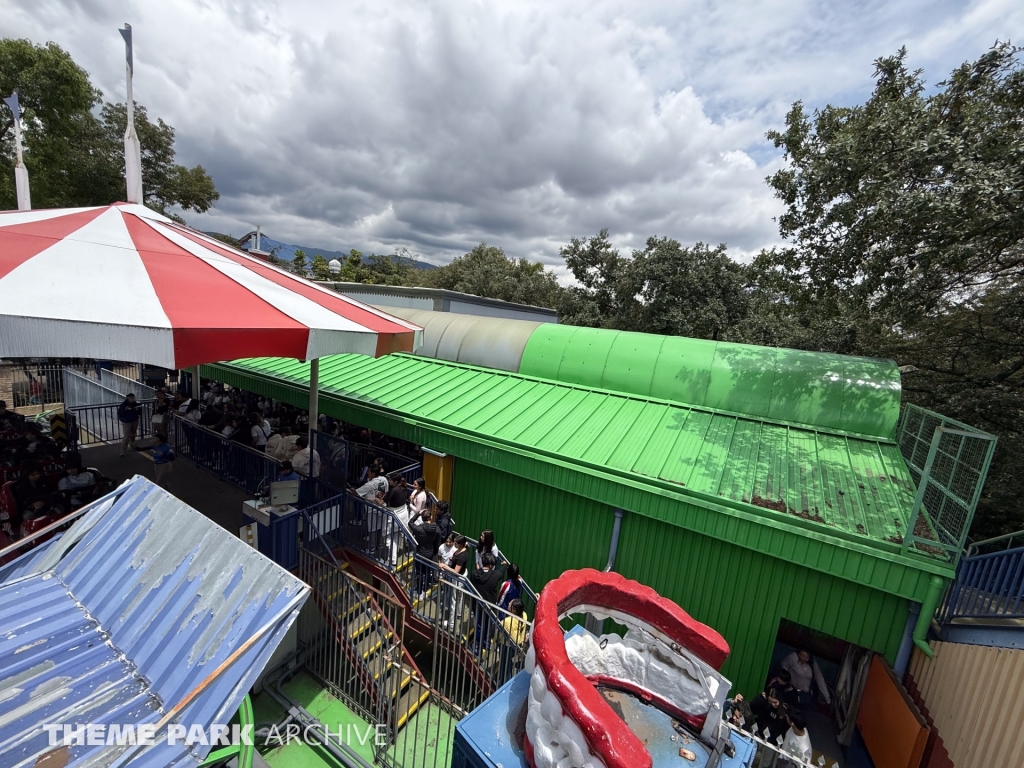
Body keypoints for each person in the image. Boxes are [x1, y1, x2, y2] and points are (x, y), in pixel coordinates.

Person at [470, 553, 505, 653]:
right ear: (490, 565)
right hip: (489, 606)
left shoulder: (474, 573)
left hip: (477, 604)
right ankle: (486, 644)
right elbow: (501, 572)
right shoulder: (495, 575)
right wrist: (505, 566)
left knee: (479, 626)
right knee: (488, 625)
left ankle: (477, 646)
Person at [409, 508, 442, 598]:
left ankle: (419, 591)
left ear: (422, 518)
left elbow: (410, 522)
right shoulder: (436, 529)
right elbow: (437, 542)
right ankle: (424, 590)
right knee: (427, 572)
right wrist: (434, 551)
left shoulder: (419, 529)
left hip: (420, 553)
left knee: (419, 573)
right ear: (430, 517)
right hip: (430, 553)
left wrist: (418, 514)